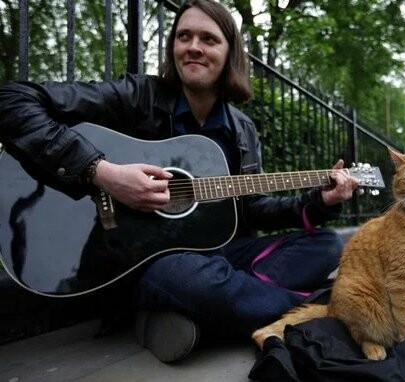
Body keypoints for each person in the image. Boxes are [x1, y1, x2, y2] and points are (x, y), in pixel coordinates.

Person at [0, 0, 358, 363]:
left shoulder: (241, 129)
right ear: (173, 47)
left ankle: (200, 315)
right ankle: (313, 310)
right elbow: (12, 100)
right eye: (183, 36)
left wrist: (319, 202)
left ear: (229, 53)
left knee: (327, 245)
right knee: (185, 276)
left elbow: (253, 209)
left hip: (220, 256)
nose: (193, 47)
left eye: (208, 38)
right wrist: (102, 173)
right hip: (144, 263)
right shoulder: (138, 97)